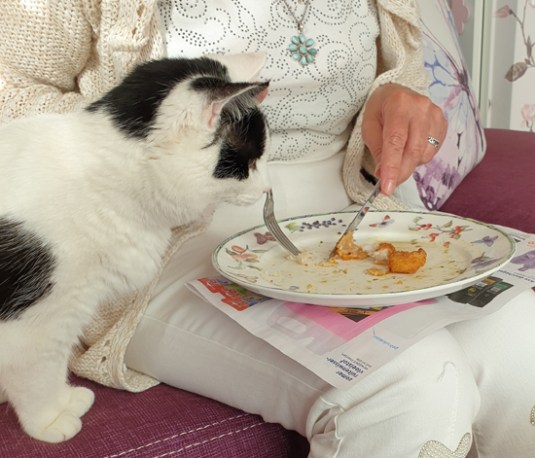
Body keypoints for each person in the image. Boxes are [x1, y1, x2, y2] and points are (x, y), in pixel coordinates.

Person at [1, 1, 534, 456]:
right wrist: (158, 146)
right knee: (410, 384)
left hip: (349, 219)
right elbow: (10, 85)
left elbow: (398, 70)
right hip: (156, 240)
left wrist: (392, 98)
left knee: (522, 338)